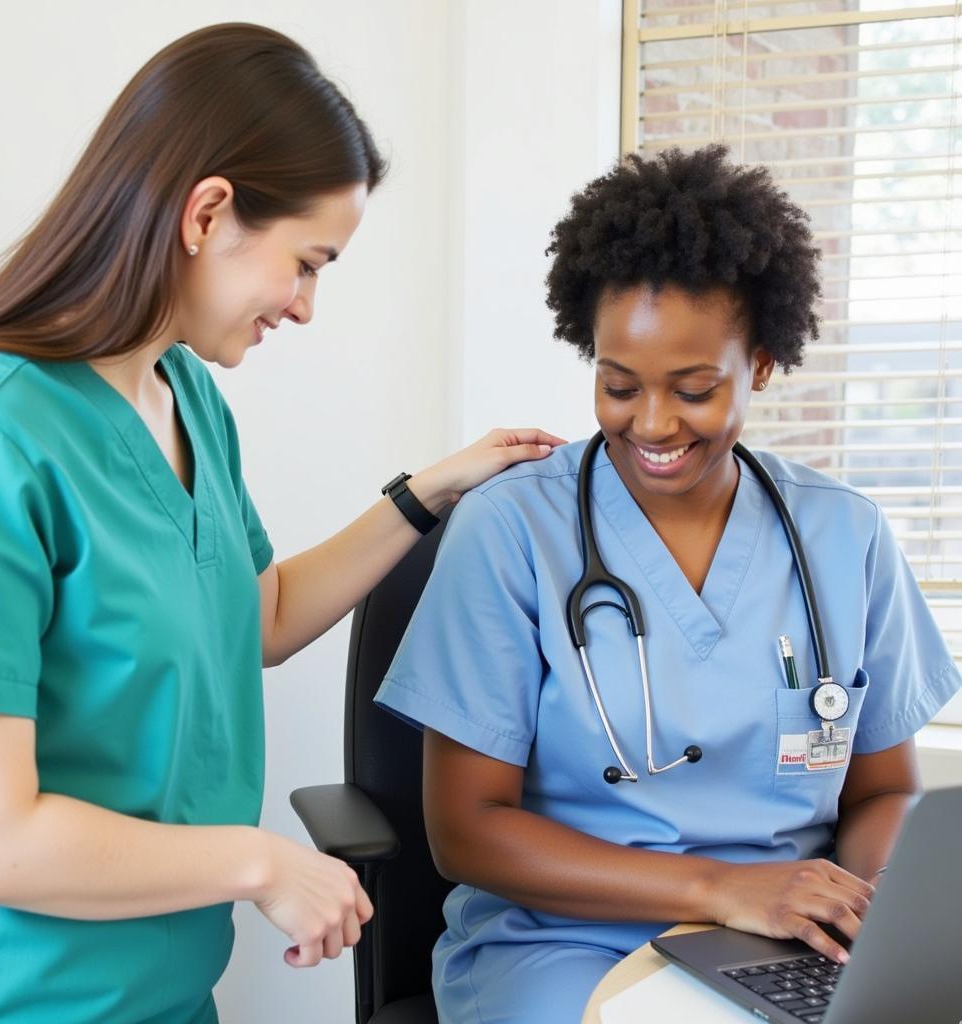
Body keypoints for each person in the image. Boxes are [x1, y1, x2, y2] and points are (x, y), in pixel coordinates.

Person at [0, 23, 564, 1024]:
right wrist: (260, 859)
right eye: (306, 261)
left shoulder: (185, 395)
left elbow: (258, 613)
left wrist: (427, 491)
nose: (307, 305)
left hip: (175, 991)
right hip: (29, 1000)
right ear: (209, 210)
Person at [374, 145, 962, 1024]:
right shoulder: (512, 530)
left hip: (781, 940)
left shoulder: (846, 534)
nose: (651, 424)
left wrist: (866, 910)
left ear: (760, 364)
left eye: (693, 389)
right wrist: (724, 887)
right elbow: (467, 830)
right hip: (561, 940)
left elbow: (880, 790)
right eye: (618, 386)